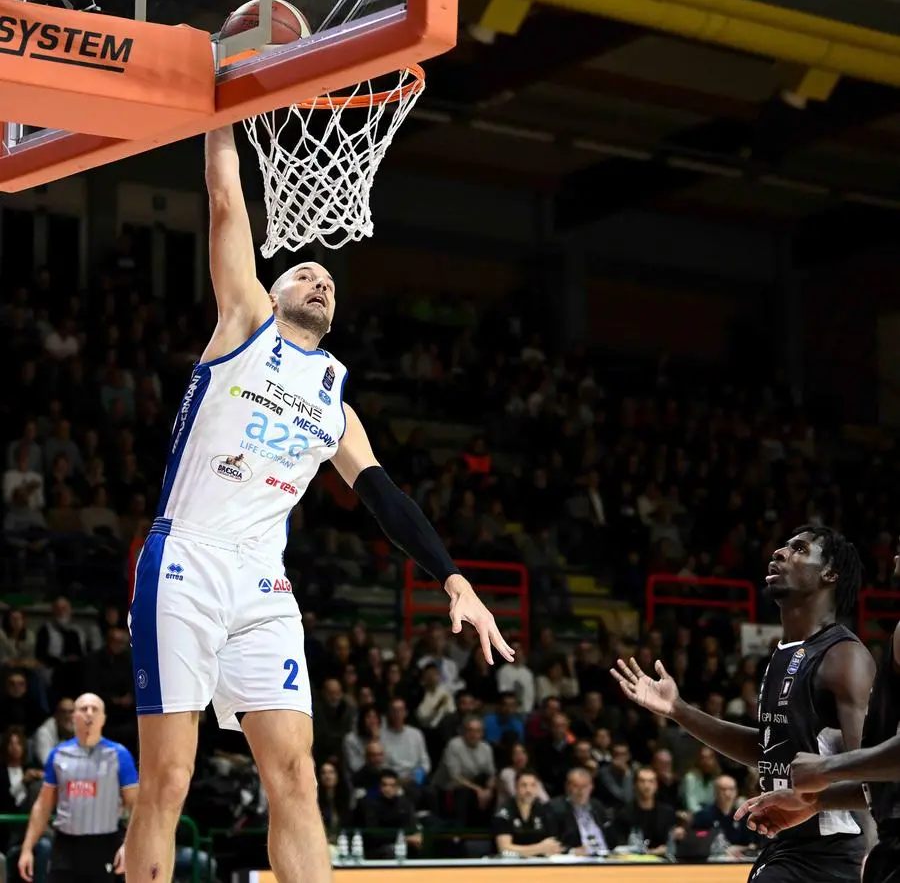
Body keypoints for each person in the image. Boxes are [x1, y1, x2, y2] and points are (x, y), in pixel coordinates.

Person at [124, 124, 514, 883]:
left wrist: (454, 579)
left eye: (329, 280)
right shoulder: (243, 322)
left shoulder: (334, 395)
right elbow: (225, 199)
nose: (320, 280)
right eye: (303, 272)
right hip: (187, 558)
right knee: (167, 782)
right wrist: (220, 111)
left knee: (297, 777)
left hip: (264, 584)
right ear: (272, 292)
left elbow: (384, 497)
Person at [612, 526, 874, 883]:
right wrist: (679, 710)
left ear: (829, 574)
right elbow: (768, 749)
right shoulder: (783, 654)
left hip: (833, 856)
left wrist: (869, 853)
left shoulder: (844, 657)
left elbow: (873, 777)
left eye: (798, 549)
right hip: (787, 845)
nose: (779, 553)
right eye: (782, 546)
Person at [737, 613, 900, 883]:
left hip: (837, 848)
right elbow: (883, 778)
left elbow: (879, 763)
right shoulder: (786, 652)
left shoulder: (844, 655)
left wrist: (827, 769)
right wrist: (817, 800)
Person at [17, 692, 138, 883]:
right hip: (65, 846)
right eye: (83, 709)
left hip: (104, 845)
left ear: (103, 718)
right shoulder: (57, 755)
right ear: (74, 717)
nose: (89, 713)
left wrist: (129, 845)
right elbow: (42, 806)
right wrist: (26, 849)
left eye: (95, 709)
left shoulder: (119, 755)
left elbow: (136, 805)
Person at [492, 770, 560, 857]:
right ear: (516, 787)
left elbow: (552, 845)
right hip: (509, 865)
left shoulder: (545, 811)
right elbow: (504, 850)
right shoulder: (504, 813)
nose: (528, 790)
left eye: (533, 785)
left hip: (539, 864)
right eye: (524, 785)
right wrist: (540, 848)